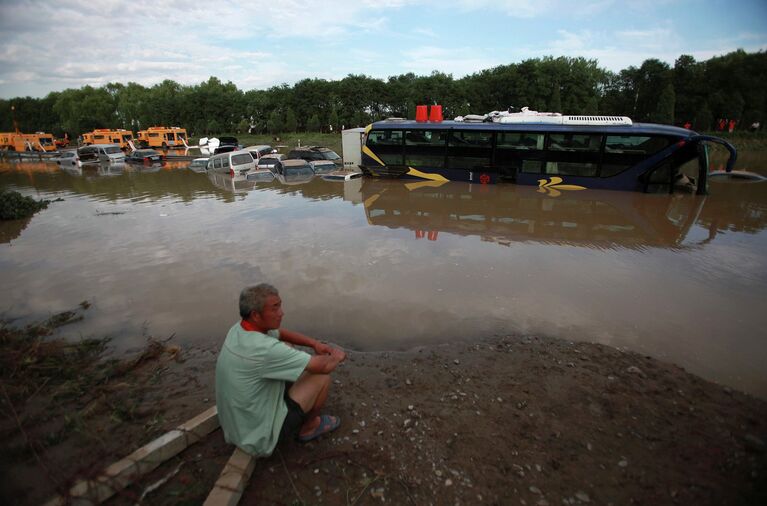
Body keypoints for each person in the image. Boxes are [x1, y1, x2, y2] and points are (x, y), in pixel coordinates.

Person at [215, 283, 346, 457]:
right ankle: (309, 427)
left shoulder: (239, 328)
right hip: (258, 439)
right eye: (275, 308)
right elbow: (323, 366)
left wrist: (314, 344)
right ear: (255, 315)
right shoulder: (266, 350)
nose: (281, 312)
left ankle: (289, 398)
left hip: (236, 426)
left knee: (286, 345)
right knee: (321, 378)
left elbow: (280, 333)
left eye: (280, 306)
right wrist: (337, 355)